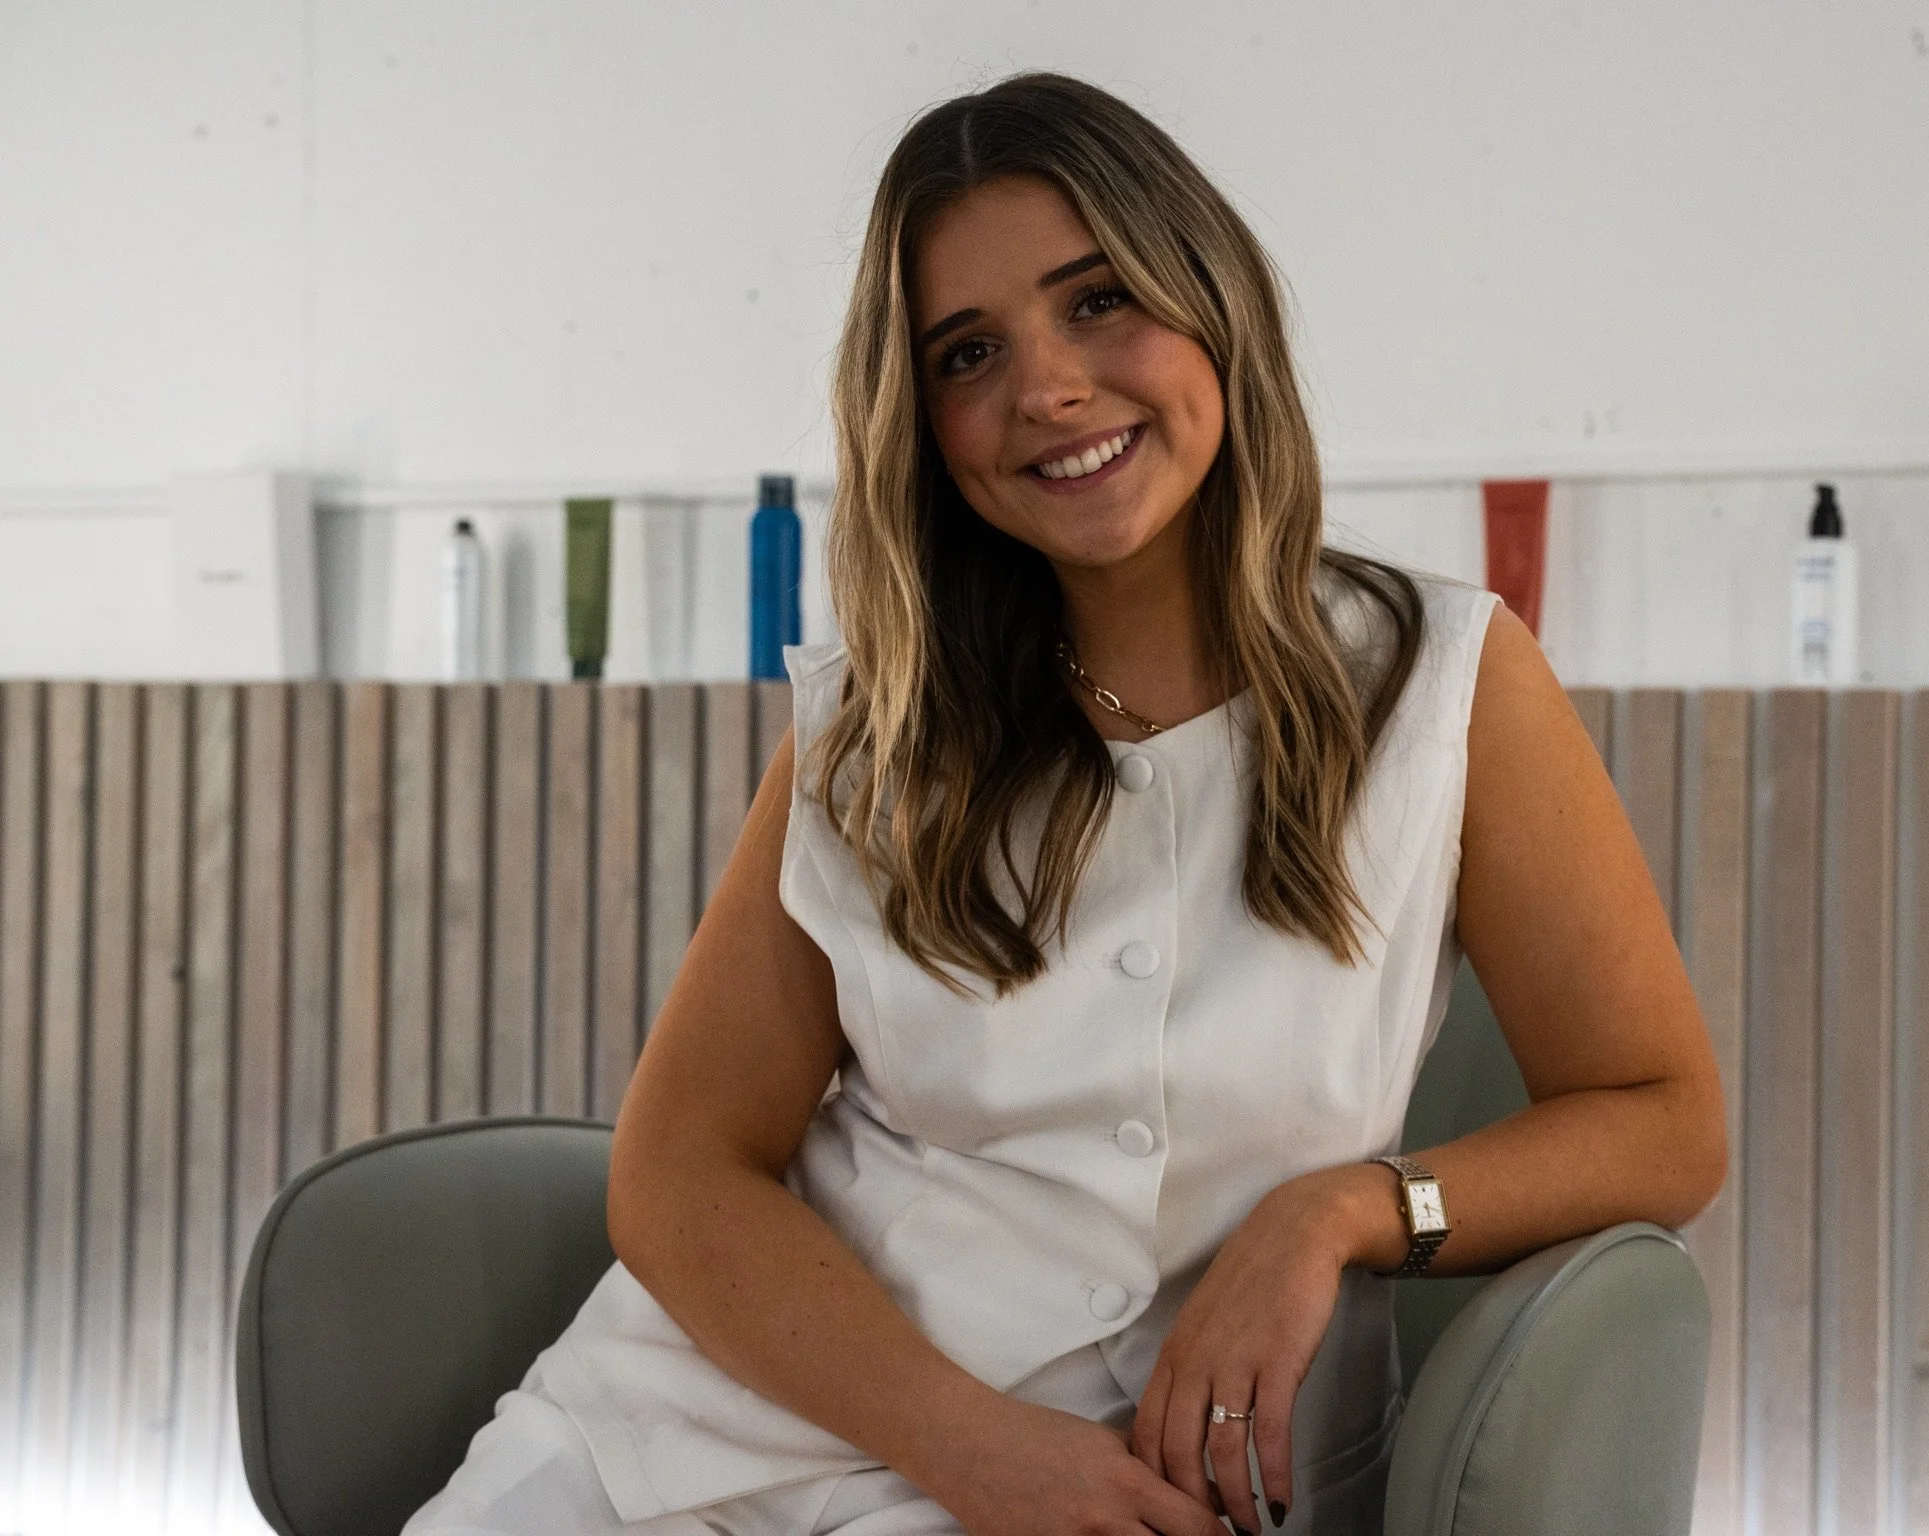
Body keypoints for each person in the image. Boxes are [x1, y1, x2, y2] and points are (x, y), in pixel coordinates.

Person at [404, 71, 1726, 1536]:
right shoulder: (871, 727)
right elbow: (677, 1174)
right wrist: (968, 1447)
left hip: (1140, 1486)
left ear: (1210, 298)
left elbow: (1662, 1119)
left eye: (1098, 301)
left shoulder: (1445, 684)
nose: (1045, 389)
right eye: (969, 353)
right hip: (688, 1435)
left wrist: (1346, 1210)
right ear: (924, 422)